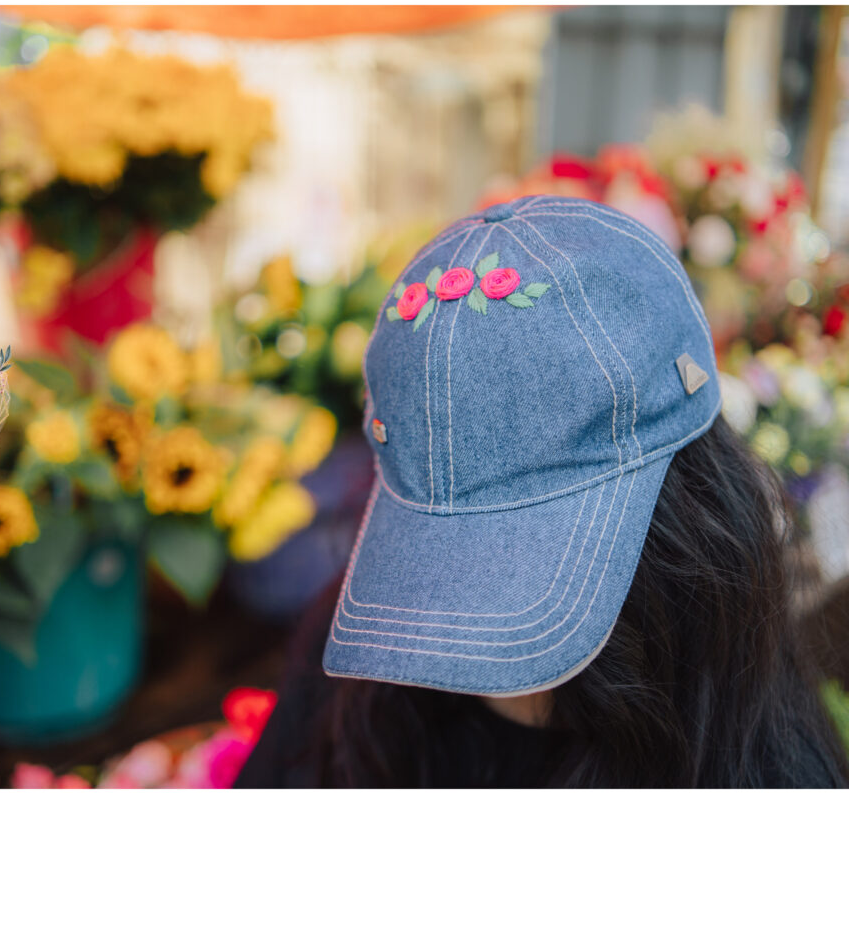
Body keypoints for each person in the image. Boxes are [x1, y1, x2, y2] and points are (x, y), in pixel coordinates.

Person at [235, 196, 848, 788]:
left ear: (686, 518)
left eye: (517, 560)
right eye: (436, 559)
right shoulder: (348, 682)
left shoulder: (751, 768)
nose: (457, 637)